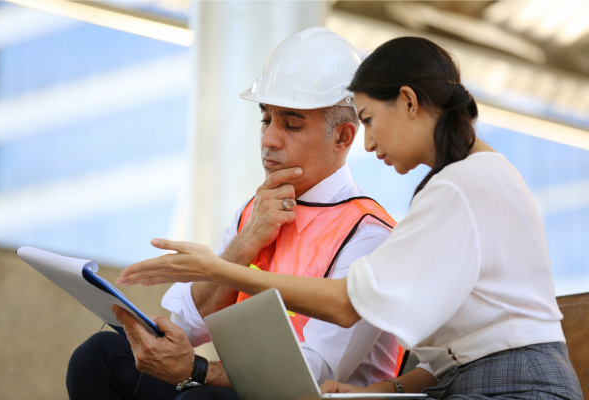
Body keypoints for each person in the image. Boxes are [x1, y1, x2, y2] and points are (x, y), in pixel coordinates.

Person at [118, 36, 583, 399]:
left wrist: (219, 267)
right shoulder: (471, 180)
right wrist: (380, 390)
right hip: (478, 382)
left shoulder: (460, 187)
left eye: (368, 120)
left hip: (514, 388)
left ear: (407, 102)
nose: (368, 142)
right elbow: (457, 352)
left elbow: (345, 305)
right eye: (267, 119)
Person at [67, 28, 410, 400]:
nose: (269, 139)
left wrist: (197, 370)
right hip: (241, 390)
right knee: (99, 356)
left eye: (291, 124)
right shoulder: (257, 210)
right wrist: (245, 243)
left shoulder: (369, 235)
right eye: (266, 119)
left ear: (343, 138)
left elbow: (311, 377)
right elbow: (190, 324)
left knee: (200, 398)